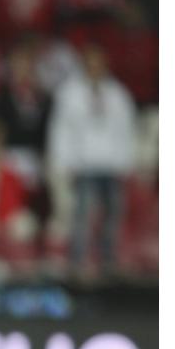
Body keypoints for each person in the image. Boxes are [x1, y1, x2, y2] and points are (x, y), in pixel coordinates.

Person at [47, 43, 136, 279]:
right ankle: (77, 259)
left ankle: (108, 258)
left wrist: (126, 160)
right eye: (90, 63)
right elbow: (61, 129)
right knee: (82, 213)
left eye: (99, 63)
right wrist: (62, 160)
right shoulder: (70, 93)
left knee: (112, 213)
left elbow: (126, 129)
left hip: (111, 163)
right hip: (84, 162)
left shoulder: (117, 94)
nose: (94, 68)